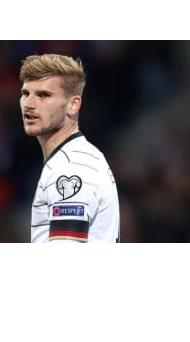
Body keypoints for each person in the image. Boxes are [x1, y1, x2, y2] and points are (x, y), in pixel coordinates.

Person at [19, 54, 120, 243]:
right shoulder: (74, 158)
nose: (29, 104)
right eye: (25, 94)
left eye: (43, 95)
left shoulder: (71, 167)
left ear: (73, 105)